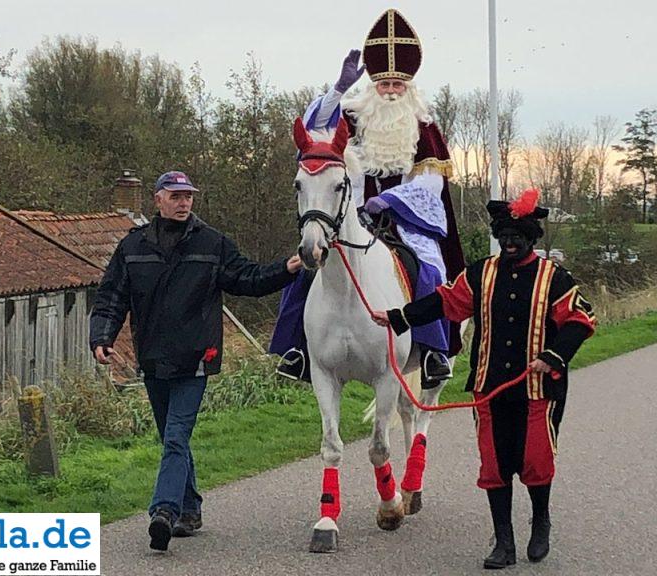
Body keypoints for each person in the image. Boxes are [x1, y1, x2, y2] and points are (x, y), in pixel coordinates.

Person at [372, 189, 596, 569]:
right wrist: (399, 318)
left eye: (517, 237)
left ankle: (540, 521)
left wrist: (553, 356)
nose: (509, 243)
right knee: (494, 465)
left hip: (538, 388)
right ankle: (503, 541)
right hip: (489, 387)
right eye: (504, 236)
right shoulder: (480, 274)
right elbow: (444, 302)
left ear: (531, 239)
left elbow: (580, 321)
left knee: (537, 462)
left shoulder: (554, 278)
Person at [89, 170, 303, 552]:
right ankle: (190, 509)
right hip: (153, 357)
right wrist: (102, 337)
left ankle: (164, 511)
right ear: (158, 200)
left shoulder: (212, 243)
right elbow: (112, 295)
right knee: (172, 438)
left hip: (196, 357)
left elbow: (247, 279)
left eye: (188, 196)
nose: (184, 202)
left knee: (174, 437)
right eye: (175, 196)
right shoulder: (133, 246)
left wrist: (284, 270)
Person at [272, 8, 465, 387]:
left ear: (408, 87)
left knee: (428, 270)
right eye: (384, 85)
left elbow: (431, 185)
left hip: (404, 224)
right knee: (307, 267)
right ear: (372, 86)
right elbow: (314, 130)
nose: (391, 92)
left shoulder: (424, 128)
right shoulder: (351, 117)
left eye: (397, 85)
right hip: (349, 217)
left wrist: (391, 202)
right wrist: (339, 88)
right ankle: (295, 349)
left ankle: (432, 352)